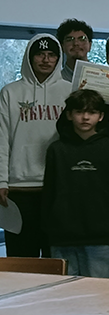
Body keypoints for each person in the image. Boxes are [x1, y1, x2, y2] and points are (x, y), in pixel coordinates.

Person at [0, 34, 71, 258]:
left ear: (58, 58)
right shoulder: (10, 92)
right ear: (30, 57)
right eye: (40, 54)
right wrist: (1, 180)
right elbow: (2, 139)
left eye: (51, 55)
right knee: (21, 260)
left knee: (56, 259)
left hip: (58, 187)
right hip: (18, 189)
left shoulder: (70, 91)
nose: (46, 60)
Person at [42, 89, 109, 277]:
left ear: (101, 116)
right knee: (63, 292)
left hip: (101, 237)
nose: (85, 117)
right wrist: (49, 229)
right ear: (69, 115)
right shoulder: (56, 150)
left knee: (101, 291)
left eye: (92, 112)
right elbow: (48, 194)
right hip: (62, 237)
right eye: (79, 112)